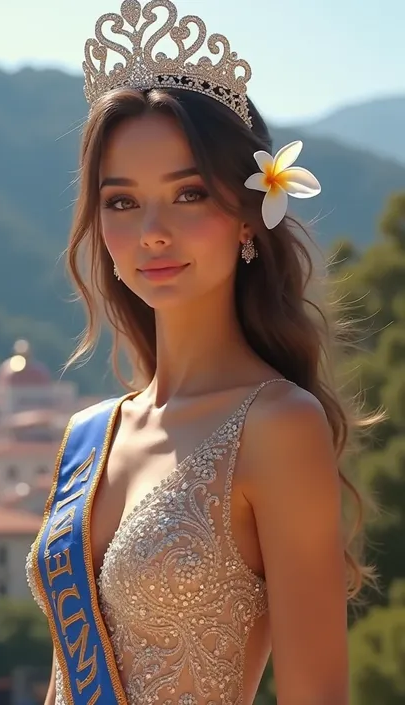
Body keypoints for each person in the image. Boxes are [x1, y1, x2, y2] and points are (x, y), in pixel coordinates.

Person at [26, 2, 375, 704]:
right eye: (121, 201)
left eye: (188, 194)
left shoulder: (278, 425)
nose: (152, 231)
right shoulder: (89, 435)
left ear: (249, 216)